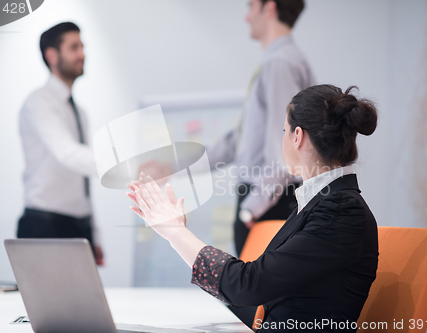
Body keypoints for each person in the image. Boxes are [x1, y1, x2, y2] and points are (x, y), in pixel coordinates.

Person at [127, 84, 379, 332]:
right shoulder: (323, 202)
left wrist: (176, 233)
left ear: (298, 137)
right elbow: (263, 299)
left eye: (284, 130)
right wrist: (178, 236)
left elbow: (250, 285)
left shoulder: (340, 210)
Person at [141, 0, 315, 258]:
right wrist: (172, 167)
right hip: (265, 199)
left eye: (251, 7)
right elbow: (237, 141)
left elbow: (285, 149)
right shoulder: (278, 61)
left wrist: (252, 208)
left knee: (249, 293)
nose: (246, 17)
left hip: (268, 202)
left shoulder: (280, 63)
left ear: (269, 8)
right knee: (247, 293)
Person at [17, 22, 104, 265]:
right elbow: (67, 154)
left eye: (82, 47)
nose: (82, 54)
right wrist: (123, 167)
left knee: (83, 303)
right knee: (44, 303)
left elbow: (81, 180)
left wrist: (93, 233)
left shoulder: (80, 112)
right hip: (44, 226)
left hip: (79, 226)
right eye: (74, 47)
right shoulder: (39, 103)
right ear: (52, 55)